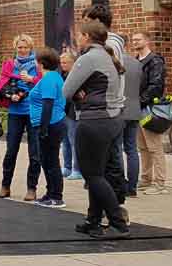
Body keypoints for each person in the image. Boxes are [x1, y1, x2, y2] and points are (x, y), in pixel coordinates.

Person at [63, 20, 129, 239]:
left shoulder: (88, 58)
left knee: (93, 175)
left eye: (78, 36)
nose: (76, 39)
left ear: (86, 37)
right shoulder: (108, 56)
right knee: (97, 174)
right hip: (110, 120)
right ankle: (93, 221)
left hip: (93, 121)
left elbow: (66, 90)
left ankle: (118, 222)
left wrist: (79, 92)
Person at [81, 4, 128, 209]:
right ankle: (99, 211)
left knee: (110, 162)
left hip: (108, 109)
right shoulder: (106, 46)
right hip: (110, 107)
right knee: (104, 164)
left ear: (97, 22)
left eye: (87, 21)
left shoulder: (108, 45)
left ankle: (116, 206)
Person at [0, 34, 42, 202]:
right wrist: (10, 95)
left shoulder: (37, 65)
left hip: (32, 111)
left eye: (25, 47)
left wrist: (32, 79)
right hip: (15, 111)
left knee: (34, 152)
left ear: (30, 48)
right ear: (15, 48)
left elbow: (44, 83)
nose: (22, 50)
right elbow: (1, 84)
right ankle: (5, 185)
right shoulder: (9, 64)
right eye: (19, 47)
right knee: (11, 150)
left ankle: (32, 188)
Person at [29, 47, 67, 208]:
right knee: (47, 160)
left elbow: (48, 103)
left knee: (51, 161)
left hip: (51, 124)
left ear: (41, 63)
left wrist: (43, 128)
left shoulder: (49, 79)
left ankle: (56, 196)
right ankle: (50, 193)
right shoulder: (53, 77)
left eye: (36, 61)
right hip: (50, 123)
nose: (35, 64)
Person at [132, 31, 169, 195]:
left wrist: (140, 100)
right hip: (137, 108)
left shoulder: (155, 61)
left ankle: (160, 183)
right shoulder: (135, 61)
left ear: (147, 41)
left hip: (149, 108)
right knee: (143, 147)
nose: (135, 42)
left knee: (154, 146)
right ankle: (146, 178)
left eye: (138, 39)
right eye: (133, 40)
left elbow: (156, 85)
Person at [119, 53, 144, 198]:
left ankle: (121, 184)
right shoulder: (136, 64)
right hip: (134, 109)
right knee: (132, 149)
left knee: (116, 149)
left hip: (119, 109)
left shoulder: (112, 62)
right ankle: (133, 186)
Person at [60, 51, 82, 180]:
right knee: (65, 141)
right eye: (61, 62)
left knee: (74, 141)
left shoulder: (76, 76)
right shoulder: (63, 75)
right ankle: (67, 167)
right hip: (64, 111)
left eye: (65, 62)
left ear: (73, 62)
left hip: (73, 112)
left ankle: (77, 169)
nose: (62, 65)